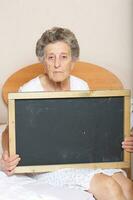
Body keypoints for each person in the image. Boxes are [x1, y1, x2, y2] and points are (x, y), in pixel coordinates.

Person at [0, 27, 133, 200]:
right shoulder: (29, 90)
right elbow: (8, 131)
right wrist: (7, 153)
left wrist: (123, 141)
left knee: (128, 186)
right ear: (43, 60)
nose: (57, 64)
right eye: (51, 57)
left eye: (63, 57)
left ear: (73, 60)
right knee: (109, 187)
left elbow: (94, 130)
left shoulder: (81, 86)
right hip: (49, 166)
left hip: (82, 159)